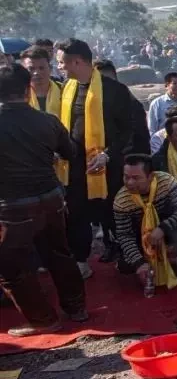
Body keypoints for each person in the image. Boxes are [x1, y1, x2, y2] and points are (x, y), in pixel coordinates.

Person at [0, 64, 88, 337]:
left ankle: (42, 319)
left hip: (12, 206)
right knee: (59, 254)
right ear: (28, 89)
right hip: (51, 198)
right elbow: (71, 151)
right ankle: (77, 309)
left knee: (12, 268)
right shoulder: (47, 121)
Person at [56, 38, 146, 276]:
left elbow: (129, 130)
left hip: (109, 168)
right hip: (75, 168)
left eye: (62, 62)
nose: (60, 67)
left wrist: (108, 155)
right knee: (76, 215)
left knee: (115, 214)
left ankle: (131, 256)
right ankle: (81, 261)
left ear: (77, 61)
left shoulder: (114, 90)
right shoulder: (67, 88)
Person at [112, 154, 177, 288]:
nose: (129, 182)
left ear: (151, 177)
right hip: (142, 238)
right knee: (126, 266)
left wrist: (163, 228)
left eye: (136, 178)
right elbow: (125, 235)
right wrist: (139, 263)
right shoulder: (121, 201)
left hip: (169, 231)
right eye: (126, 177)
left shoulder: (167, 183)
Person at [21, 47, 61, 117]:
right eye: (31, 68)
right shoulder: (18, 94)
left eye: (41, 68)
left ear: (50, 68)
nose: (36, 73)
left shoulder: (63, 89)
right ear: (23, 70)